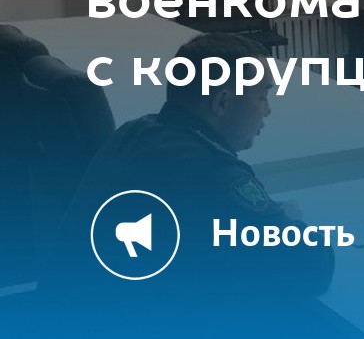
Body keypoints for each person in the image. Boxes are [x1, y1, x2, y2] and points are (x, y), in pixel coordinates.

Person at [41, 34, 335, 335]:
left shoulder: (134, 131)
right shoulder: (213, 173)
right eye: (262, 96)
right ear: (222, 102)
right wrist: (289, 220)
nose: (268, 109)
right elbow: (311, 268)